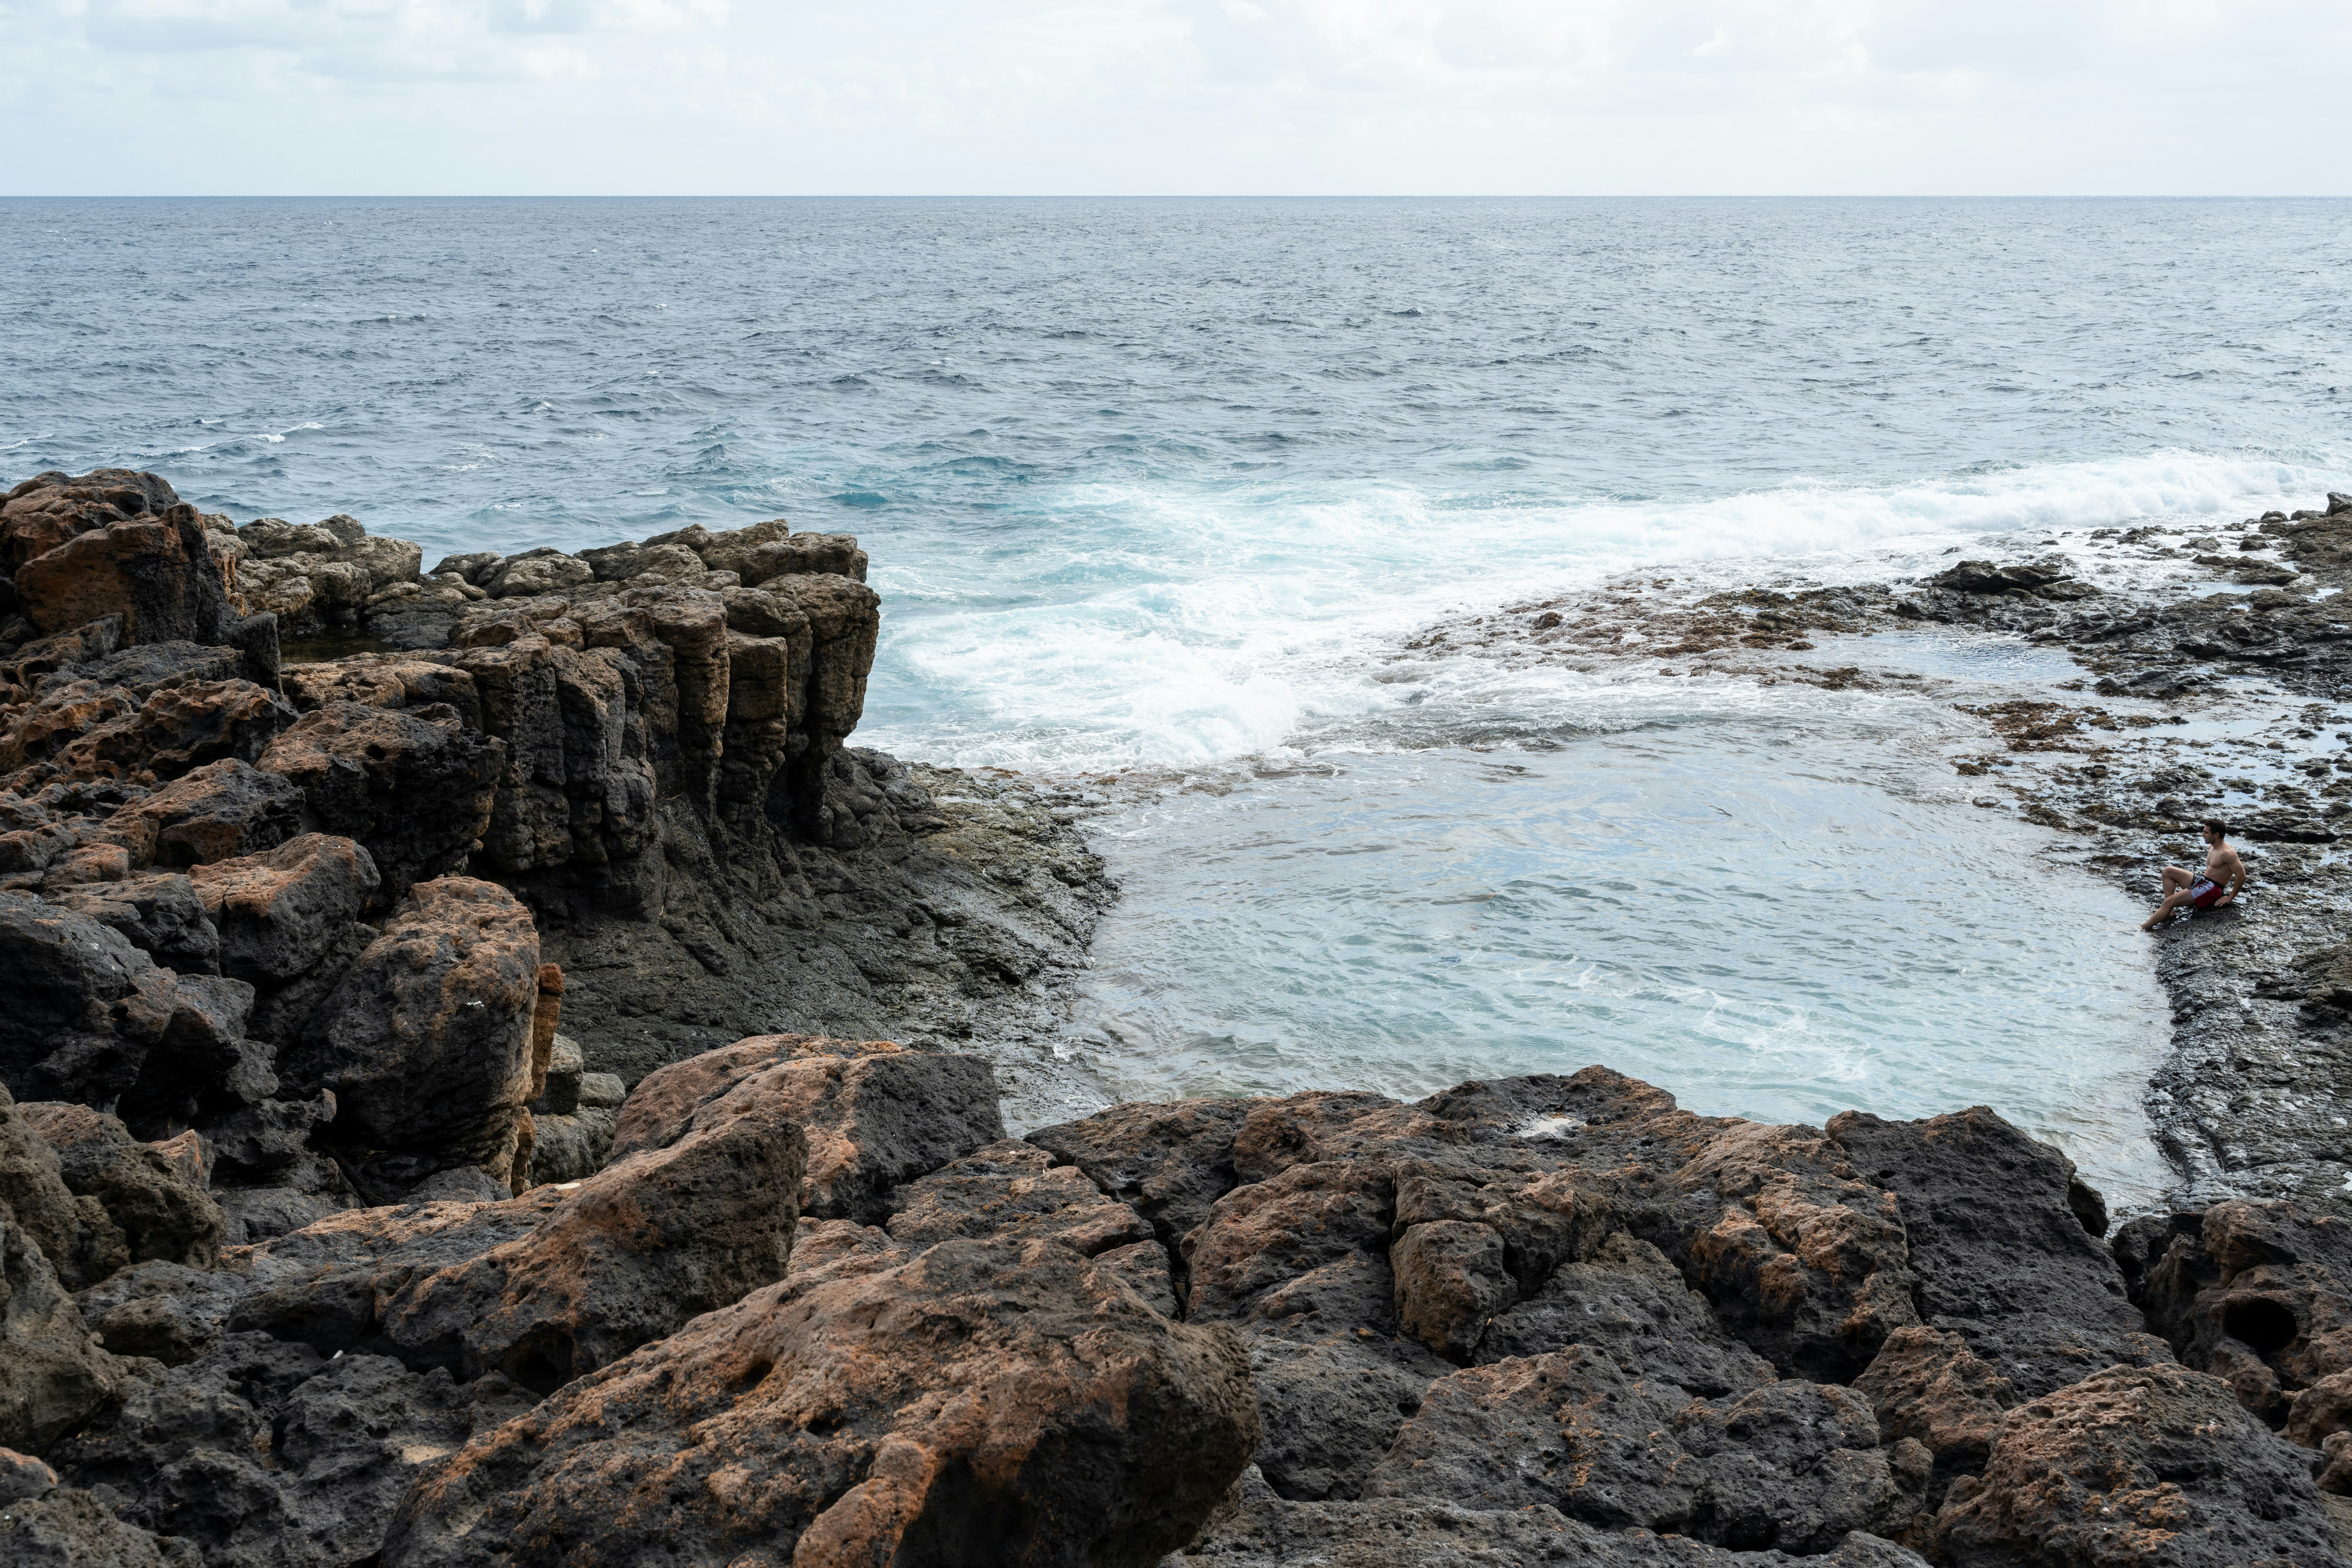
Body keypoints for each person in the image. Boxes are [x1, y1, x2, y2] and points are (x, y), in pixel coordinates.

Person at [2141, 819, 2246, 931]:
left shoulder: (2227, 853)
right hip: (2203, 881)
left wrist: (2230, 897)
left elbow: (2242, 875)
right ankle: (2169, 912)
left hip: (2212, 889)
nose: (2203, 835)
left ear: (2216, 835)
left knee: (2169, 902)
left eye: (2206, 832)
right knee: (2168, 871)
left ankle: (2142, 929)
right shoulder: (2212, 847)